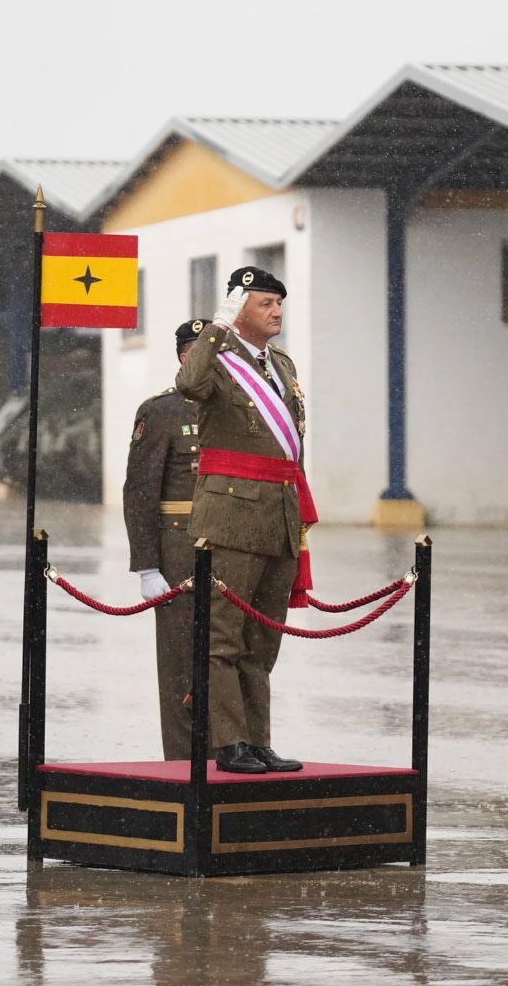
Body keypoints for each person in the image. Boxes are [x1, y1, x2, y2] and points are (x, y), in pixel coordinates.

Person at [176, 267, 316, 774]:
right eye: (264, 303)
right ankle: (229, 743)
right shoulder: (217, 358)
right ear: (240, 310)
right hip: (232, 514)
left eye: (280, 303)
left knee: (263, 638)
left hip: (279, 513)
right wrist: (216, 326)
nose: (277, 311)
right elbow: (188, 383)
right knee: (223, 636)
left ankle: (257, 741)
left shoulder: (280, 362)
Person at [123, 319, 207, 760]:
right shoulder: (162, 411)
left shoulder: (235, 408)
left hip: (231, 550)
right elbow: (139, 490)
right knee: (180, 662)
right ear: (185, 356)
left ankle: (230, 754)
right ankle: (181, 760)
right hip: (179, 554)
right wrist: (147, 565)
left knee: (228, 657)